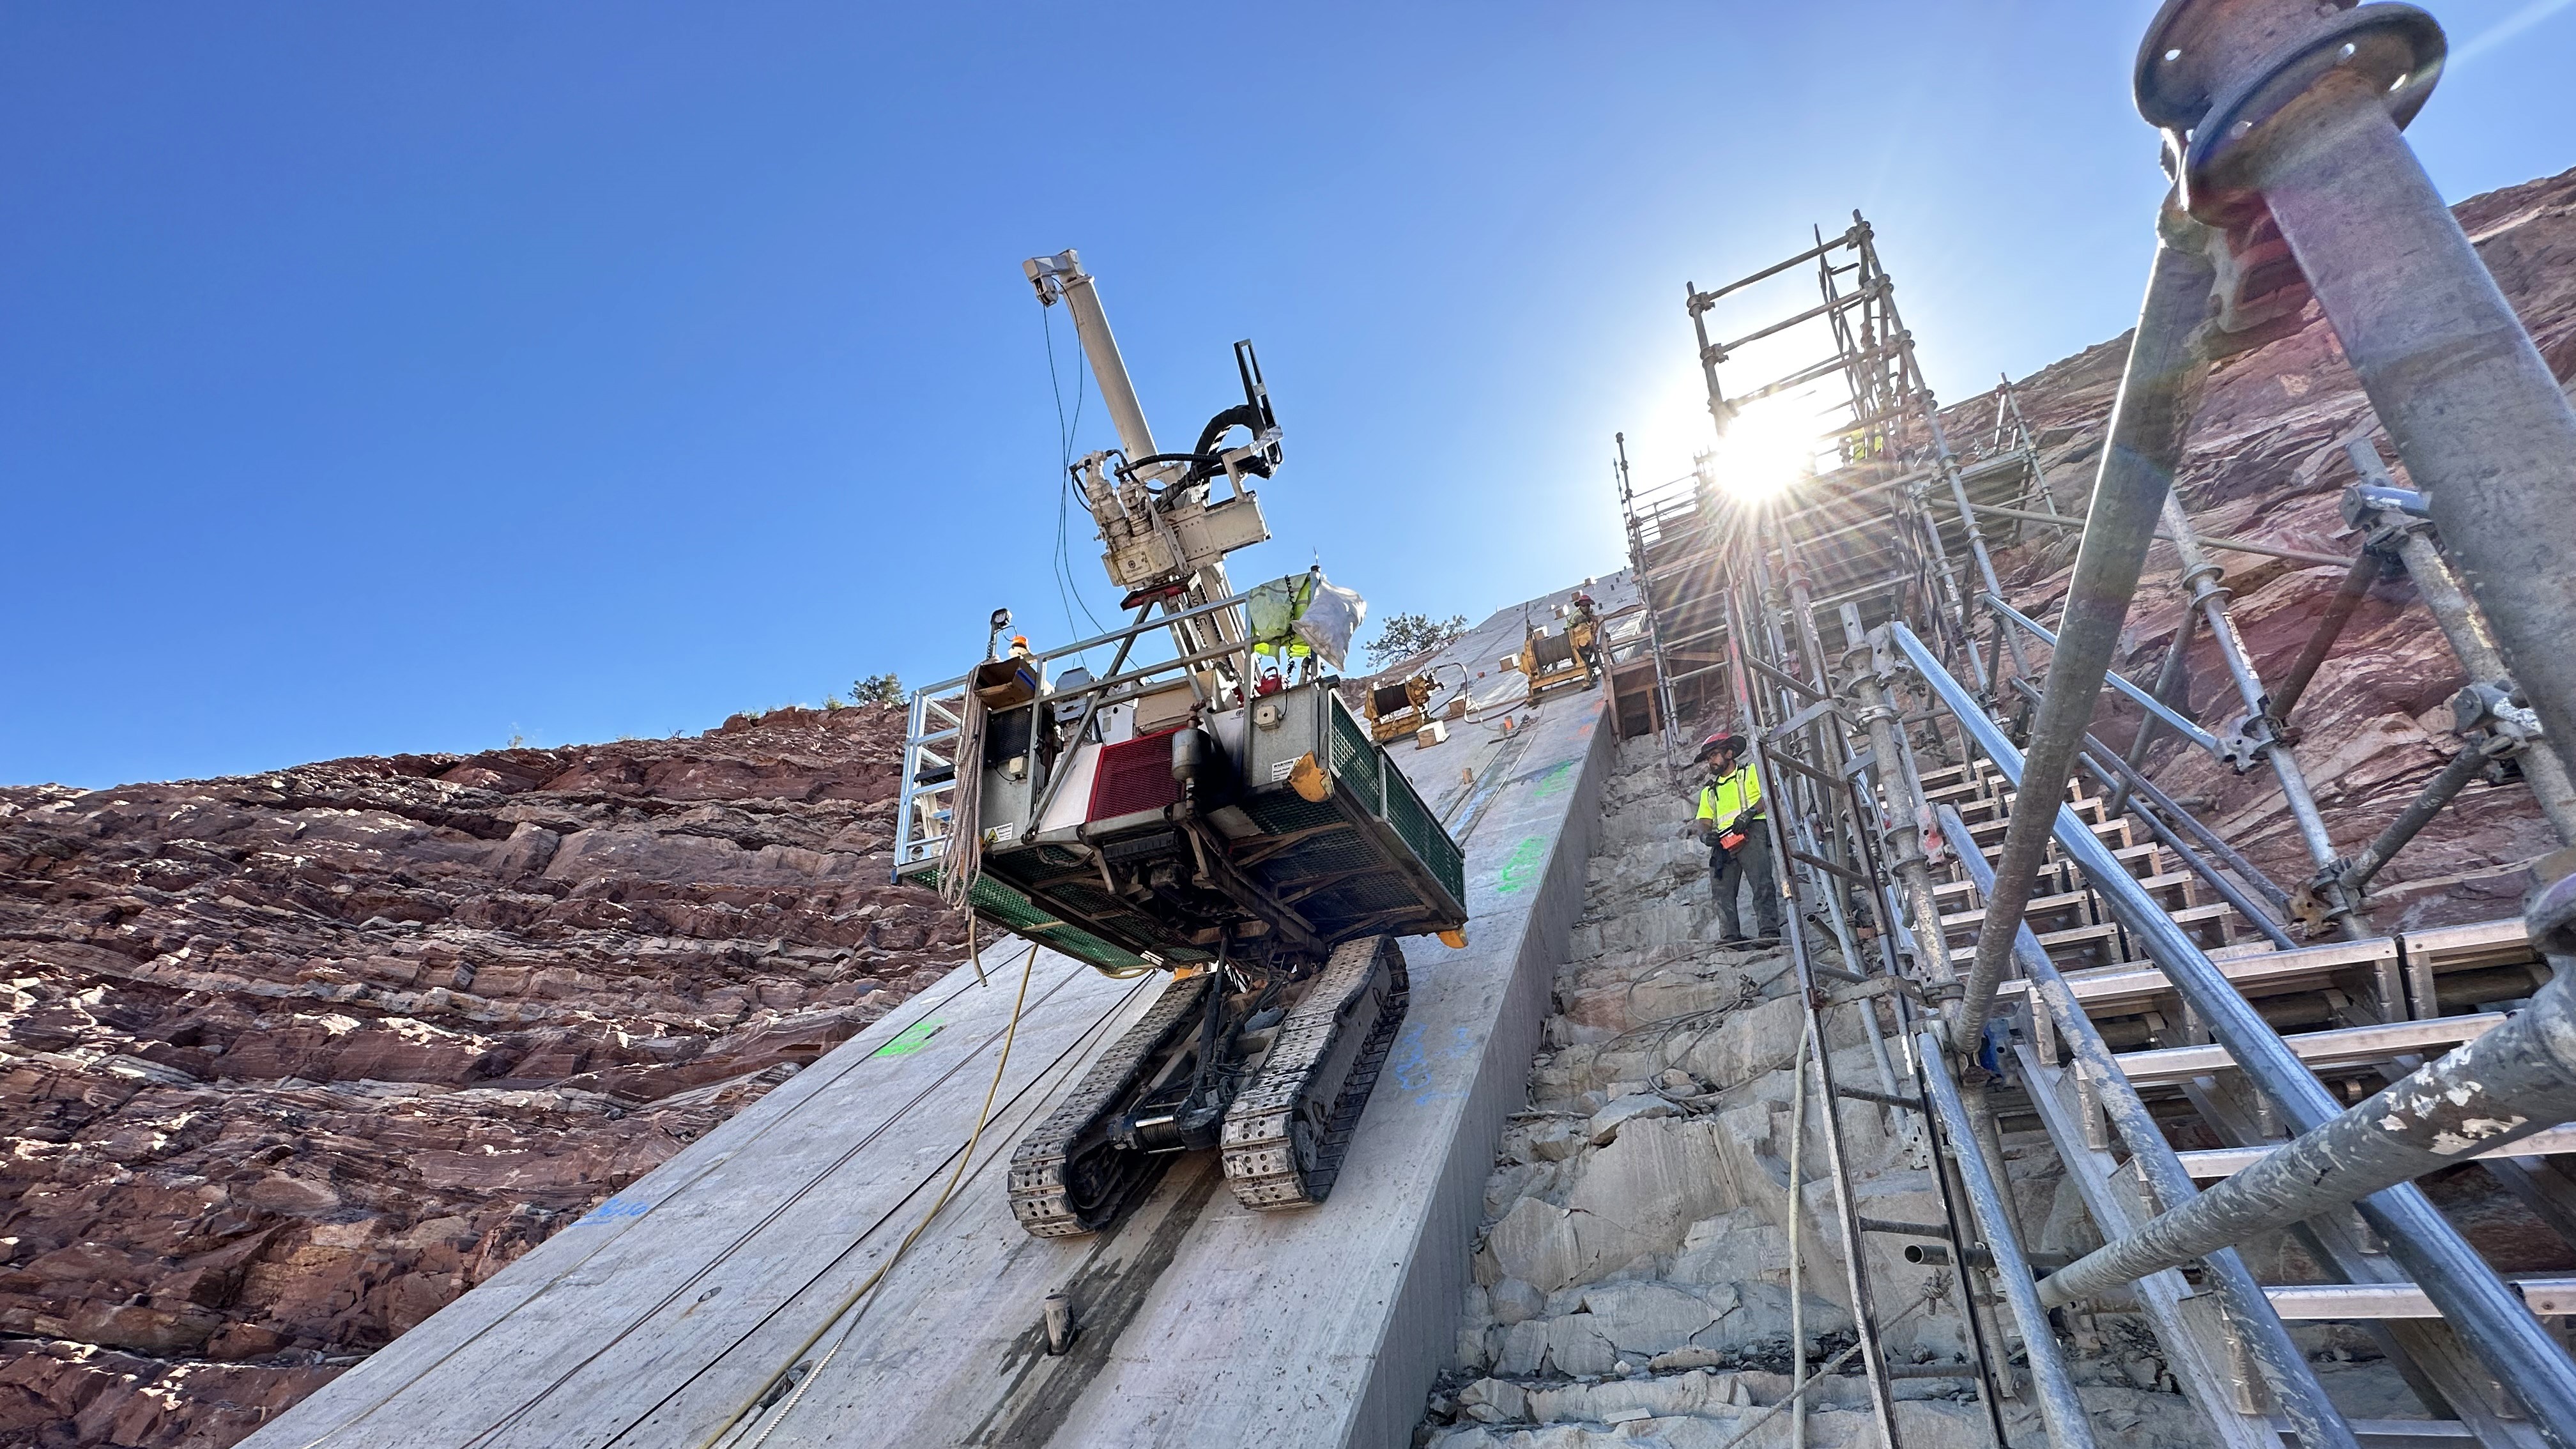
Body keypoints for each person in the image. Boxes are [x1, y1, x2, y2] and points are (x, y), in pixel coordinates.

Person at [1687, 730, 1780, 943]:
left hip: (1752, 831)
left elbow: (1772, 793)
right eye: (1708, 758)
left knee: (1762, 883)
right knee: (1721, 892)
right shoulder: (1709, 791)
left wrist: (1750, 814)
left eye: (1714, 755)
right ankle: (1730, 937)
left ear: (1729, 753)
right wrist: (1704, 836)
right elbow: (1704, 821)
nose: (1710, 761)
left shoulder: (1750, 773)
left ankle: (1769, 933)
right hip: (1723, 841)